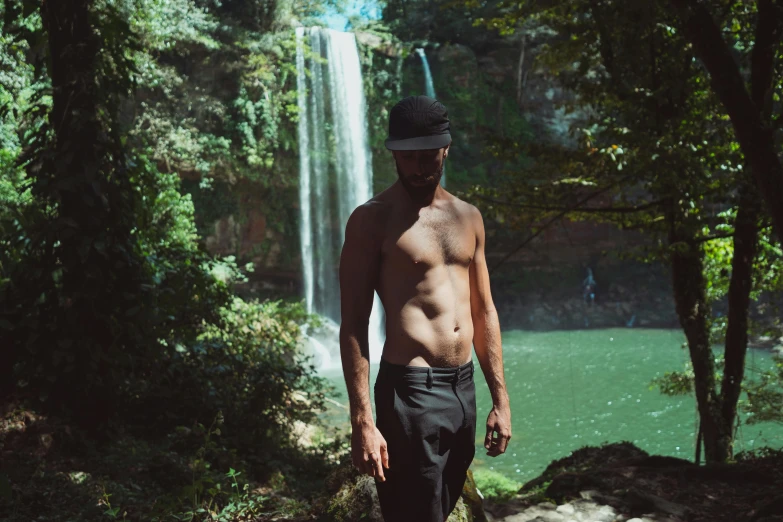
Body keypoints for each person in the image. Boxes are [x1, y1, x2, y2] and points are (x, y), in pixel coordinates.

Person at [339, 95, 512, 522]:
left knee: (443, 504)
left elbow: (484, 311)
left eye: (429, 156)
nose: (419, 167)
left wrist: (501, 400)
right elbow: (354, 324)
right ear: (394, 154)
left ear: (446, 149)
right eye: (409, 156)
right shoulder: (371, 220)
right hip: (410, 393)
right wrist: (362, 419)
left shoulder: (469, 217)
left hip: (464, 388)